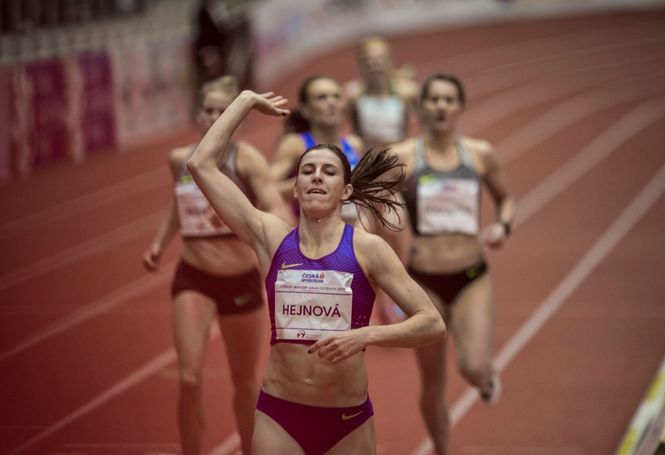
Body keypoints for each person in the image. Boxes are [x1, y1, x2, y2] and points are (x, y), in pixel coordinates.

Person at [186, 89, 446, 455]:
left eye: (328, 172)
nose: (317, 177)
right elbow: (201, 164)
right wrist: (244, 101)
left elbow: (432, 323)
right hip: (280, 414)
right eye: (307, 171)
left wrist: (365, 336)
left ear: (346, 191)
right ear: (295, 188)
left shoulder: (367, 248)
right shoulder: (271, 238)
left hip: (347, 421)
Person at [142, 76, 290, 455]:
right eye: (207, 110)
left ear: (236, 119)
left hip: (240, 281)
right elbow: (178, 204)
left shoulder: (247, 161)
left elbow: (274, 203)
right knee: (189, 379)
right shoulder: (180, 160)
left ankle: (248, 448)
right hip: (194, 277)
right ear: (198, 114)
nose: (212, 117)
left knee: (244, 383)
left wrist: (282, 239)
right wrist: (160, 243)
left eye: (221, 111)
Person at [386, 73, 515, 455]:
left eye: (449, 100)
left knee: (473, 367)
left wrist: (503, 226)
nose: (441, 106)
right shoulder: (405, 156)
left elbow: (506, 198)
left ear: (460, 107)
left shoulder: (479, 154)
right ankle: (443, 450)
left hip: (471, 275)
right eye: (434, 100)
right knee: (432, 384)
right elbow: (375, 202)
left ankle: (486, 378)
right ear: (422, 107)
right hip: (422, 281)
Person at [270, 75, 364, 212]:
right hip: (314, 226)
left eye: (337, 97)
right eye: (321, 98)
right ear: (305, 110)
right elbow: (266, 189)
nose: (332, 103)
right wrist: (308, 182)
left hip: (356, 226)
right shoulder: (295, 143)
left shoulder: (355, 143)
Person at [345, 36, 419, 150]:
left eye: (379, 58)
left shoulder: (407, 92)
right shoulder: (353, 94)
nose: (373, 63)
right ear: (360, 62)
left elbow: (428, 123)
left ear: (389, 60)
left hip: (399, 157)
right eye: (367, 59)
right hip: (368, 158)